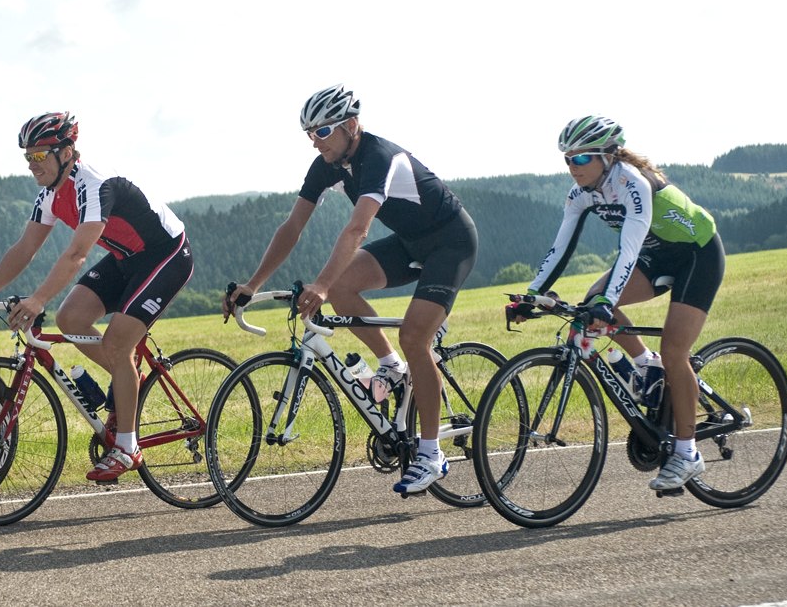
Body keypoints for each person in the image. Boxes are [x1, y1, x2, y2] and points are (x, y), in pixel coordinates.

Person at [222, 84, 478, 495]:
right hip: (409, 242)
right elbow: (292, 228)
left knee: (414, 335)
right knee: (344, 288)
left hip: (450, 242)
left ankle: (431, 453)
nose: (315, 142)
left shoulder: (379, 157)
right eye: (310, 134)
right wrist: (253, 284)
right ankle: (391, 366)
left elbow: (358, 229)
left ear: (351, 125)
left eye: (322, 132)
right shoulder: (325, 165)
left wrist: (320, 285)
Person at [0, 112, 193, 482]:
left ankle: (127, 447)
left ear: (66, 152)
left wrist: (37, 299)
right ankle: (126, 382)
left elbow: (77, 254)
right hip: (126, 259)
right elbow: (25, 248)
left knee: (117, 345)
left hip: (166, 255)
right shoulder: (49, 194)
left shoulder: (94, 185)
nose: (32, 165)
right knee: (71, 319)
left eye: (39, 156)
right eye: (27, 157)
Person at [515, 115, 722, 491]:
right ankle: (647, 368)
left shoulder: (632, 183)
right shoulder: (582, 194)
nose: (572, 168)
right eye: (567, 160)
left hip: (697, 255)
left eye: (580, 159)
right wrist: (531, 295)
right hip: (656, 256)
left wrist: (608, 302)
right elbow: (560, 248)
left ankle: (688, 453)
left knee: (675, 350)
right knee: (592, 301)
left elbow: (628, 248)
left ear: (608, 156)